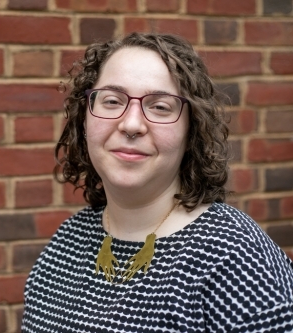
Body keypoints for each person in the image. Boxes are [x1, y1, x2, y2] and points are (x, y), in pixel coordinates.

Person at [21, 32, 293, 332]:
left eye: (160, 106)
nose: (132, 124)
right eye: (112, 101)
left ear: (192, 131)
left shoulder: (236, 259)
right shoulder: (66, 244)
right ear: (84, 118)